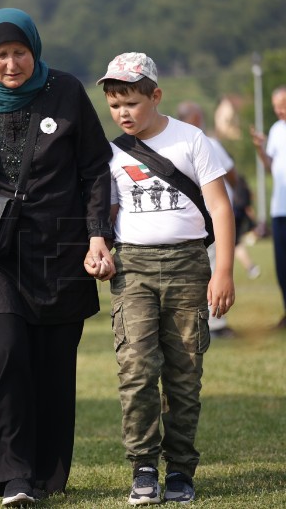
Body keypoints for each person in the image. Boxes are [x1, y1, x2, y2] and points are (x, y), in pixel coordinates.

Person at [0, 9, 114, 505]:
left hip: (62, 246)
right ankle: (10, 473)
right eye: (0, 55)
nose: (10, 64)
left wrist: (99, 235)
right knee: (9, 350)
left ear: (35, 49)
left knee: (54, 364)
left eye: (19, 53)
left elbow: (96, 168)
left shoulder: (67, 90)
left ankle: (43, 474)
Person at [98, 52, 236, 505]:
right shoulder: (113, 152)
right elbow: (106, 215)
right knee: (136, 369)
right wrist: (96, 248)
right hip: (133, 268)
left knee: (184, 375)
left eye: (132, 103)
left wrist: (224, 272)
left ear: (155, 96)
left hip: (188, 267)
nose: (123, 114)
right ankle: (142, 467)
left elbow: (220, 207)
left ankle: (179, 470)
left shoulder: (192, 140)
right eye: (115, 105)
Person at [177, 101, 238, 338]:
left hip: (193, 218)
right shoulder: (205, 141)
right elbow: (230, 172)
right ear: (194, 117)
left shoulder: (174, 143)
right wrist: (235, 193)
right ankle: (215, 324)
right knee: (213, 266)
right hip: (211, 218)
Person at [251, 86, 286, 329]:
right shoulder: (276, 129)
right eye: (276, 107)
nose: (279, 111)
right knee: (282, 266)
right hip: (279, 208)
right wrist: (260, 149)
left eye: (283, 105)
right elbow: (269, 167)